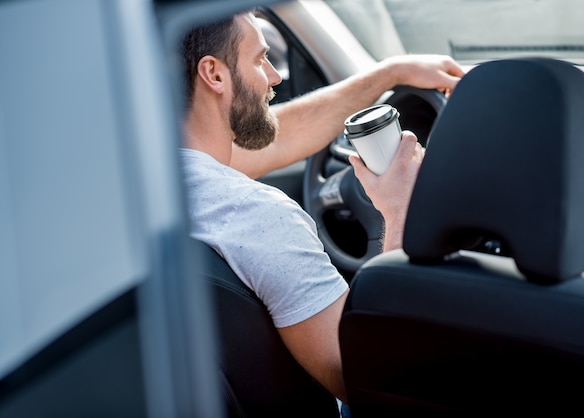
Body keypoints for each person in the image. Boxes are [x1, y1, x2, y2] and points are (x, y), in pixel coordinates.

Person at [180, 10, 464, 403]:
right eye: (261, 59)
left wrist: (389, 74)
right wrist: (400, 210)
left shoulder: (141, 185)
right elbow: (377, 383)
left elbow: (278, 139)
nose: (276, 77)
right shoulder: (254, 216)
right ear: (214, 74)